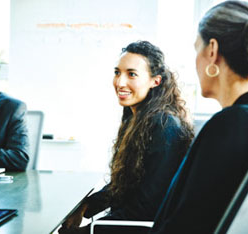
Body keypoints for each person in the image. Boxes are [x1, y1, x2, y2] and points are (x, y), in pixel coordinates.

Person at [148, 1, 248, 233]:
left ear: (212, 51)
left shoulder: (231, 125)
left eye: (197, 49)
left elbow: (184, 225)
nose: (195, 60)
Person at [59, 41, 194, 234]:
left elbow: (147, 207)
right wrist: (86, 207)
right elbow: (125, 185)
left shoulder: (165, 126)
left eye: (132, 74)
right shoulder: (136, 118)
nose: (120, 82)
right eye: (117, 72)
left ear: (155, 80)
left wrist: (88, 230)